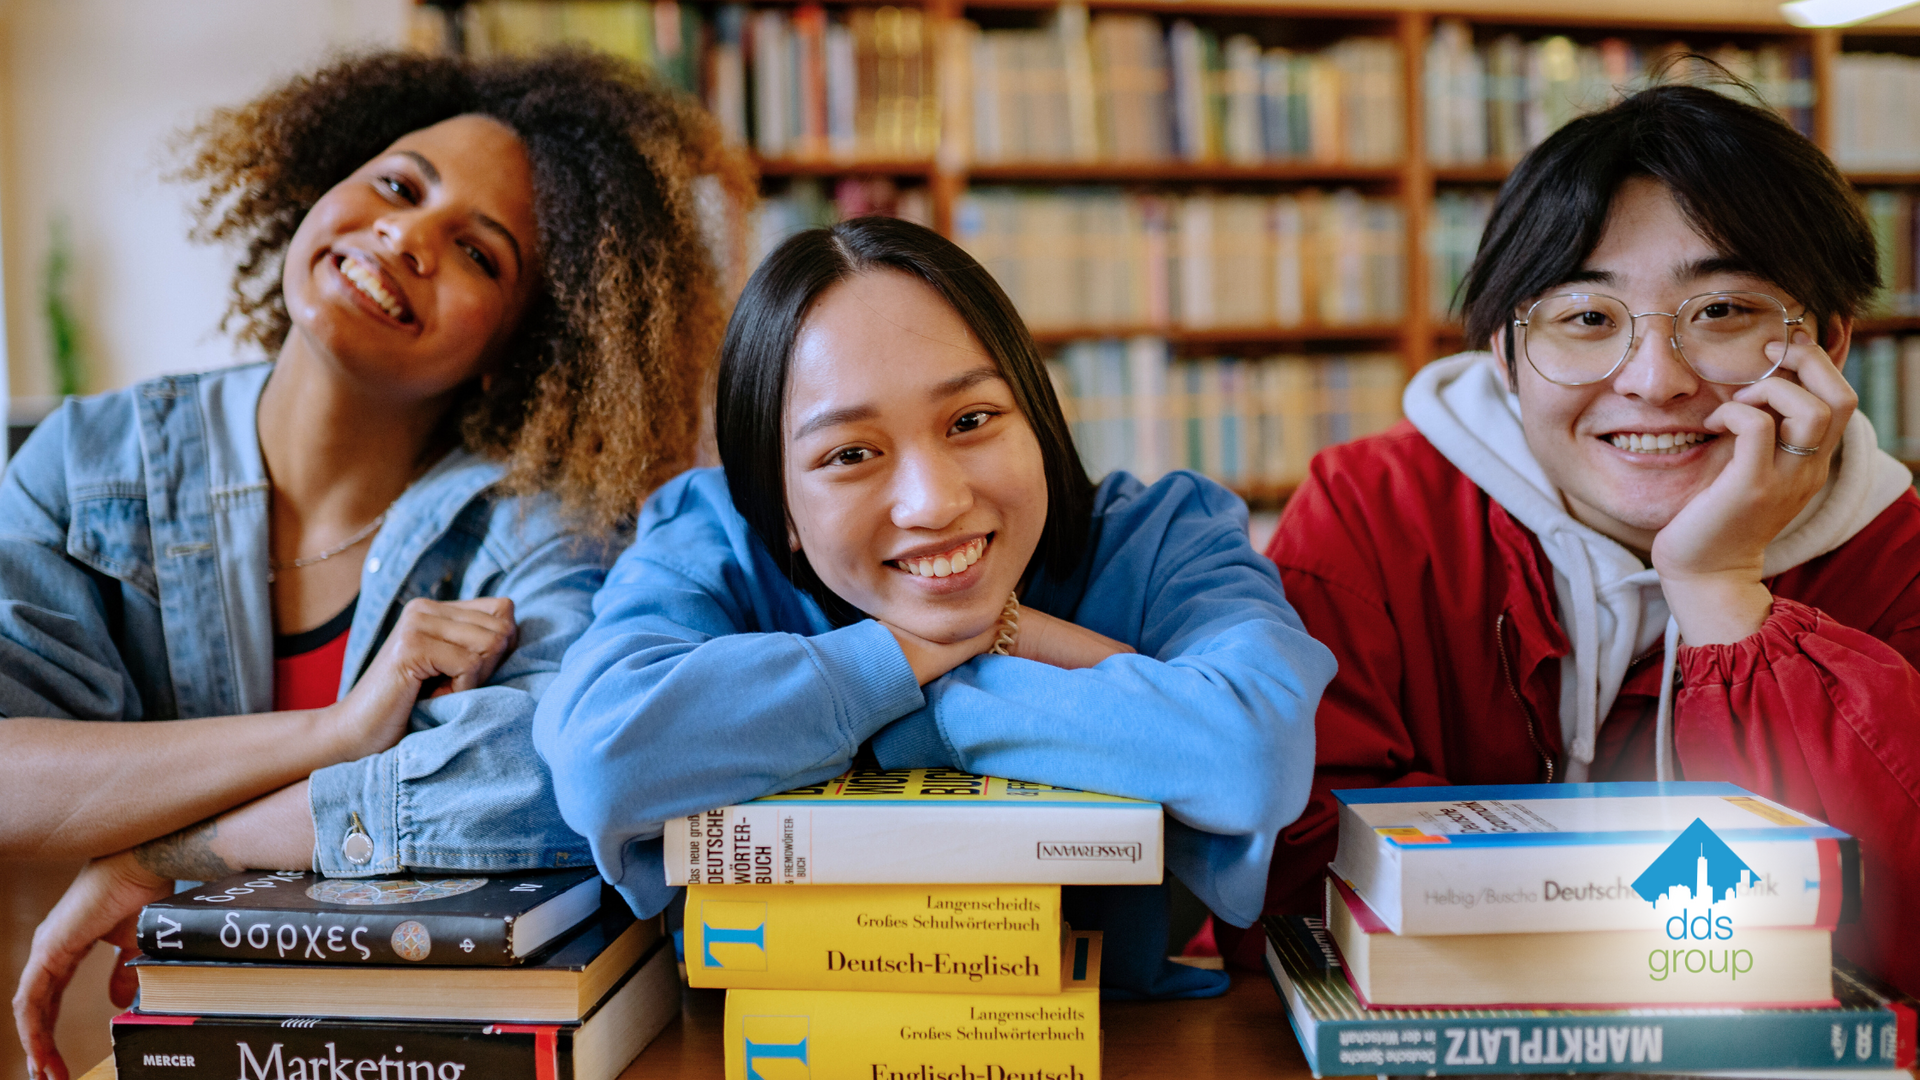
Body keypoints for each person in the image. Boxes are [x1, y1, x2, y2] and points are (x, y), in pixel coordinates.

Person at [4, 50, 748, 1079]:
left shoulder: (536, 528)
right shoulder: (86, 469)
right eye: (398, 187)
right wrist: (335, 734)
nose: (405, 236)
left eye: (480, 254)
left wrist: (162, 854)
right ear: (323, 191)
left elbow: (563, 769)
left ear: (514, 346)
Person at [532, 216, 1334, 998]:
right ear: (775, 504)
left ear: (1038, 416)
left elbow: (1252, 754)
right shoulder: (711, 537)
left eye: (972, 421)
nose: (934, 502)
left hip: (1116, 1045)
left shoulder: (1164, 536)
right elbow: (608, 758)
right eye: (850, 454)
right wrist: (906, 660)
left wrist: (914, 711)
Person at [1247, 81, 1920, 995]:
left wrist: (1722, 589)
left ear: (1831, 345)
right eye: (1587, 319)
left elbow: (1902, 935)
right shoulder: (1375, 509)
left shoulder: (1899, 555)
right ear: (1504, 356)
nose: (1654, 380)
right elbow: (1290, 879)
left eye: (1722, 312)